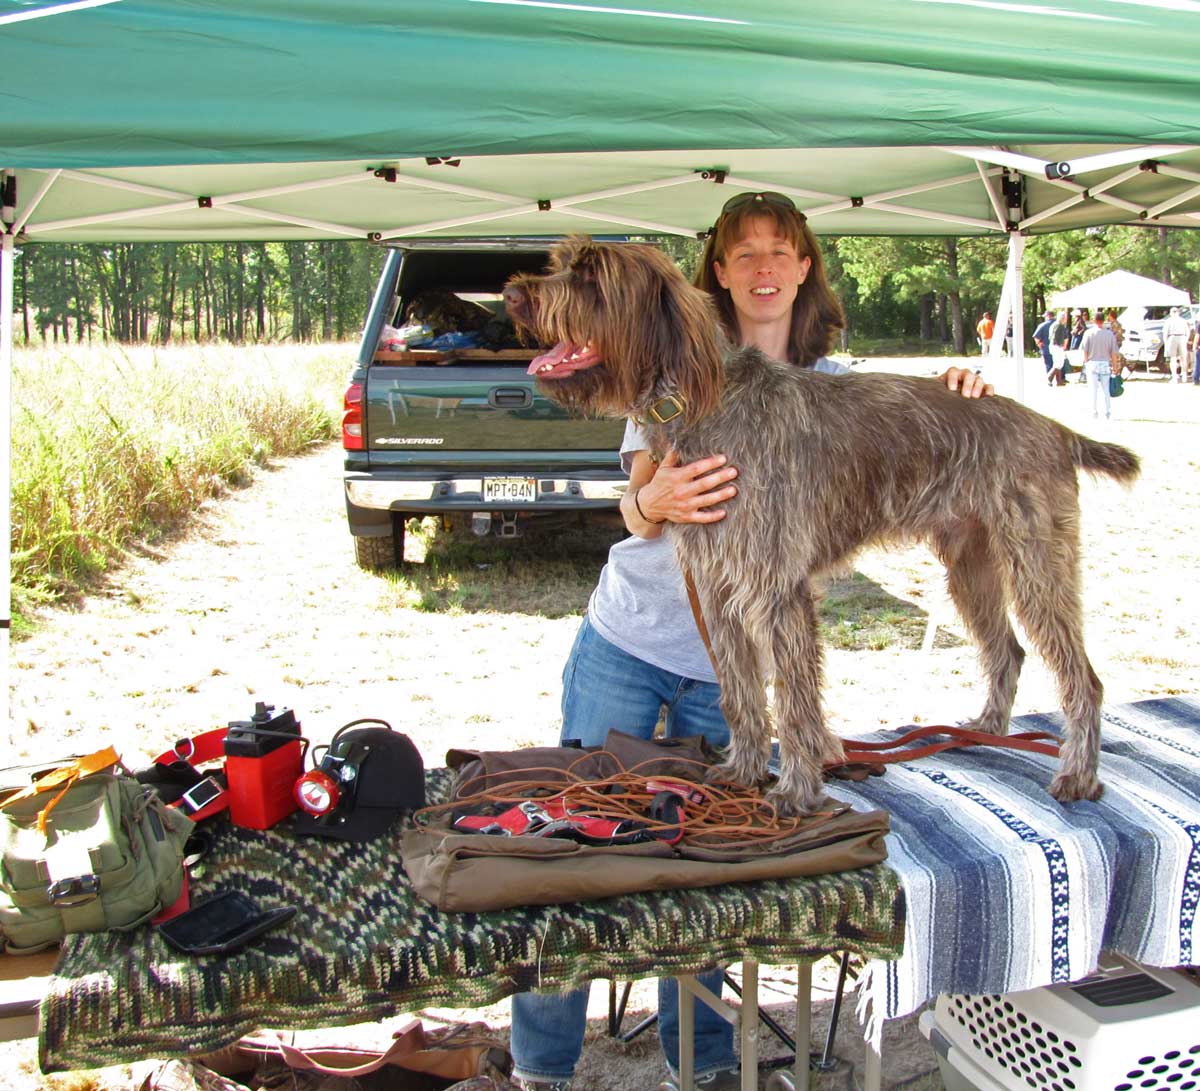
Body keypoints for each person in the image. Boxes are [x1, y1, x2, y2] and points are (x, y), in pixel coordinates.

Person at [508, 191, 991, 1091]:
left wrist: (962, 391)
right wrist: (655, 500)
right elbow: (635, 500)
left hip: (722, 680)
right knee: (569, 850)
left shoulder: (833, 381)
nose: (765, 268)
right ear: (720, 271)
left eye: (783, 251)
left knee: (707, 872)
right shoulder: (665, 363)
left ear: (805, 267)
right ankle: (539, 1064)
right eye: (745, 253)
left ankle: (708, 1059)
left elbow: (910, 422)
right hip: (630, 640)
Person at [1080, 307, 1119, 420]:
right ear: (1103, 320)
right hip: (1105, 363)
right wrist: (1115, 366)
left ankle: (1094, 411)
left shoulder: (1088, 333)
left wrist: (1086, 362)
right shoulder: (1110, 334)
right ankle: (1107, 411)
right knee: (1106, 388)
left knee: (1093, 389)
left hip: (1092, 363)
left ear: (1094, 320)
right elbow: (1113, 353)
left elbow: (1085, 350)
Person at [1163, 306, 1190, 383]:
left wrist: (1166, 343)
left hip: (1174, 337)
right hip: (1179, 337)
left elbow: (1165, 333)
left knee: (1175, 358)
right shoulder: (1182, 320)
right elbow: (1187, 331)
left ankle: (1178, 377)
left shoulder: (1169, 321)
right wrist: (1186, 339)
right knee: (1180, 358)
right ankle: (1181, 376)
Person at [1032, 310, 1055, 382]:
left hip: (1046, 347)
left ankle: (1050, 379)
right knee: (1058, 364)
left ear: (1048, 316)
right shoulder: (1059, 324)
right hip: (1057, 347)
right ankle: (1060, 379)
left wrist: (1039, 344)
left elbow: (1036, 336)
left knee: (1048, 363)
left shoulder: (1042, 325)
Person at [1049, 310, 1071, 385]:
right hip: (1057, 346)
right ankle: (1050, 377)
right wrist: (1061, 345)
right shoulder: (1060, 326)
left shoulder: (1054, 324)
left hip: (1053, 346)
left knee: (1058, 364)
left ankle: (1059, 381)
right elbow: (1058, 337)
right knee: (1059, 364)